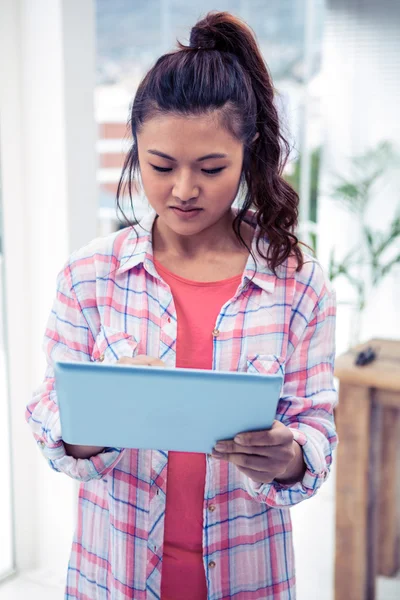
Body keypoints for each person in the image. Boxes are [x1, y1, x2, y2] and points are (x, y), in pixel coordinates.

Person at [26, 11, 337, 600]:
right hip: (113, 576)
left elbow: (317, 429)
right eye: (161, 166)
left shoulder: (300, 284)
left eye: (212, 168)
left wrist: (289, 455)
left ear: (249, 154)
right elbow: (48, 416)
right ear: (135, 152)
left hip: (247, 576)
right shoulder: (90, 276)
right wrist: (91, 426)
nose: (184, 190)